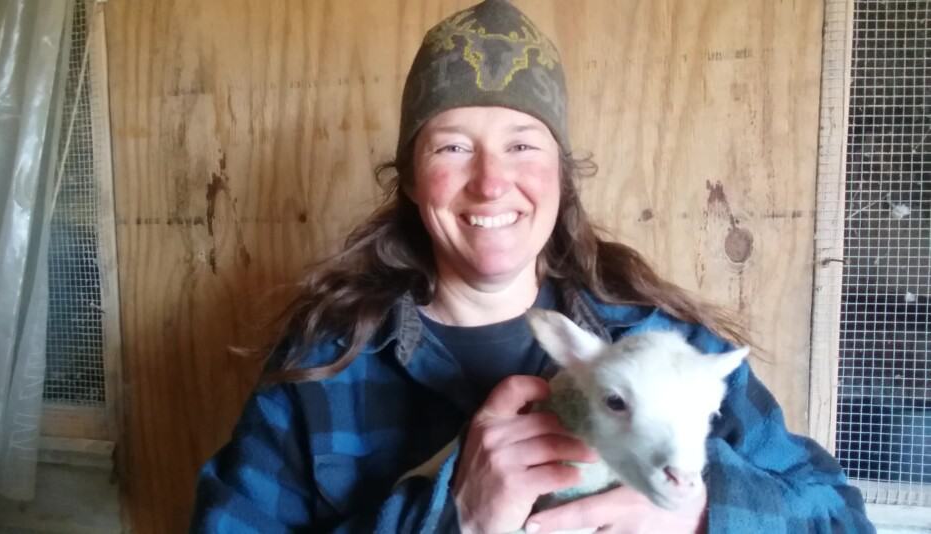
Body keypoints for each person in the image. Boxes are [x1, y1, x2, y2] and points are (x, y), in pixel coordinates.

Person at [191, 1, 875, 532]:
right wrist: (453, 516)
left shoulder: (676, 353)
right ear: (408, 180)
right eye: (453, 148)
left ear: (560, 176)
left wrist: (698, 513)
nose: (491, 183)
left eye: (522, 145)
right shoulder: (324, 370)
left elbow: (840, 520)